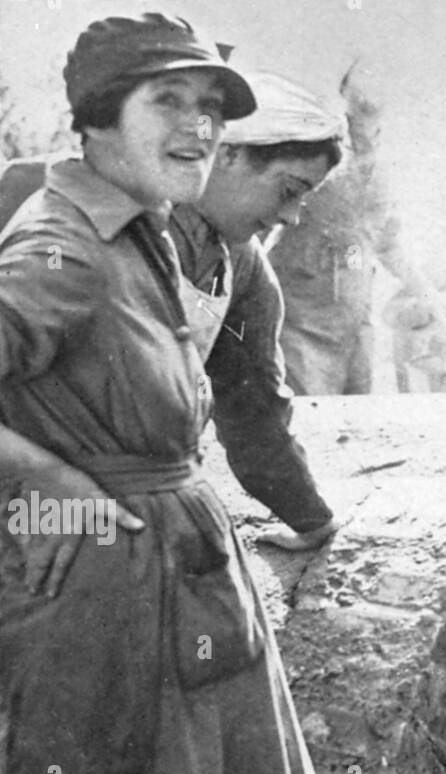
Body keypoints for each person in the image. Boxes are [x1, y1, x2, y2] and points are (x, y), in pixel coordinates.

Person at [0, 14, 353, 774]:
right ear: (93, 118)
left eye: (212, 106)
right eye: (170, 104)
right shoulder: (61, 244)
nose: (200, 128)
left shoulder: (157, 235)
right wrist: (51, 481)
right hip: (90, 605)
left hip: (172, 580)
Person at [0, 70, 347, 553]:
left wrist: (311, 520)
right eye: (288, 191)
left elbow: (254, 412)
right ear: (226, 153)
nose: (290, 218)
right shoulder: (46, 201)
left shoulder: (242, 274)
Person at [267, 64, 439, 395]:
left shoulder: (382, 166)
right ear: (345, 96)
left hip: (354, 313)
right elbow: (266, 211)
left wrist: (424, 289)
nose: (368, 102)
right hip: (300, 312)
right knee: (305, 412)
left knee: (357, 411)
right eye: (360, 95)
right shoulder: (316, 144)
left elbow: (387, 242)